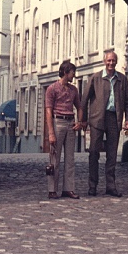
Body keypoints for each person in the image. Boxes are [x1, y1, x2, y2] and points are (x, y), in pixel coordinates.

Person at [79, 50, 128, 197]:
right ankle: (92, 185)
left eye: (113, 61)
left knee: (112, 154)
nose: (111, 63)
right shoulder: (95, 78)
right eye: (108, 61)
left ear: (116, 62)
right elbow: (84, 100)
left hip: (114, 118)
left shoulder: (121, 79)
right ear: (104, 61)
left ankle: (111, 185)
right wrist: (83, 120)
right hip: (97, 119)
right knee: (94, 152)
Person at [45, 60, 82, 200]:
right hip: (58, 121)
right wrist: (51, 132)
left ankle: (68, 188)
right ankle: (52, 189)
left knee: (70, 159)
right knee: (55, 158)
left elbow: (79, 107)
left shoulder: (73, 90)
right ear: (66, 72)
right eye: (72, 72)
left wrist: (79, 122)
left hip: (70, 123)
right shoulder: (52, 89)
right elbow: (48, 111)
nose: (74, 75)